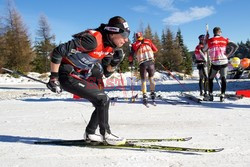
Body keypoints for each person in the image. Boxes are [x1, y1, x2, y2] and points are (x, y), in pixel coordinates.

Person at [46, 16, 130, 145]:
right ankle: (106, 135)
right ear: (112, 32)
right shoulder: (93, 40)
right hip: (66, 73)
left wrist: (115, 62)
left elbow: (107, 72)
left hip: (77, 74)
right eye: (124, 35)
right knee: (103, 99)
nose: (126, 39)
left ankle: (90, 133)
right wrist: (54, 77)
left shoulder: (110, 48)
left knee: (102, 101)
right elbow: (58, 51)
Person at [205, 27, 238, 102]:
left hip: (215, 62)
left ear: (214, 32)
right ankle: (222, 95)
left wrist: (206, 40)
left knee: (210, 79)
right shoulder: (225, 39)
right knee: (223, 79)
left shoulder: (210, 40)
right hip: (224, 61)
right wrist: (229, 55)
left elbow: (204, 49)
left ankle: (210, 95)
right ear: (219, 32)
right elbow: (236, 46)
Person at [129, 32, 158, 105]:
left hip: (142, 63)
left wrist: (131, 62)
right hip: (151, 62)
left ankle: (144, 95)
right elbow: (155, 50)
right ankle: (152, 93)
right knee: (151, 78)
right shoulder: (148, 41)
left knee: (143, 79)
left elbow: (131, 56)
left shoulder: (134, 45)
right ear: (142, 36)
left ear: (136, 37)